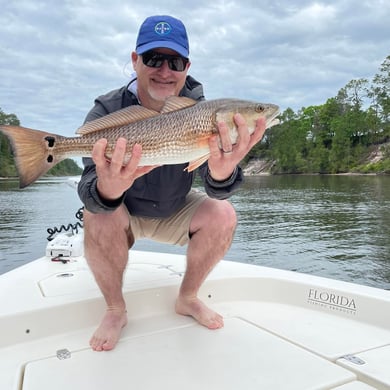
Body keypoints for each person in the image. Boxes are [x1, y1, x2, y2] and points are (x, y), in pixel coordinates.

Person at [78, 15, 267, 352]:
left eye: (175, 61)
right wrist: (110, 189)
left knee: (223, 214)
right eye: (153, 58)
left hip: (175, 208)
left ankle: (188, 297)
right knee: (96, 214)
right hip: (125, 211)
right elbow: (90, 192)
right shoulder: (106, 110)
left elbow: (216, 187)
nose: (165, 71)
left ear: (187, 66)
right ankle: (114, 309)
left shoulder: (204, 110)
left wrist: (222, 171)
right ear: (135, 60)